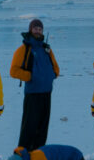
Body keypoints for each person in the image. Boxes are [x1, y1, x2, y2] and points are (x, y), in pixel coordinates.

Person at [10, 19, 60, 151]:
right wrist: (30, 77)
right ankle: (21, 156)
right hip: (32, 94)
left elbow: (55, 67)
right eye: (35, 28)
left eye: (40, 29)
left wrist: (52, 75)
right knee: (29, 128)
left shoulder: (46, 49)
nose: (38, 31)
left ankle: (38, 156)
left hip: (46, 93)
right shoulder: (23, 49)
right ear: (30, 30)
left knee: (42, 129)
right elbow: (13, 71)